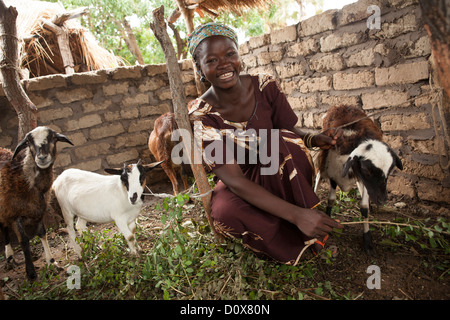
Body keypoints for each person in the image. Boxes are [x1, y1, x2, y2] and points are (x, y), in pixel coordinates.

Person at [187, 22, 343, 264]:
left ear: (239, 56)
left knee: (278, 142)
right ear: (199, 68)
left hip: (279, 170)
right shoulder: (202, 116)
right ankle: (293, 236)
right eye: (212, 60)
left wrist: (313, 138)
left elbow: (288, 130)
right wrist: (295, 214)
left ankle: (314, 233)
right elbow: (235, 180)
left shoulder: (264, 86)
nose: (224, 64)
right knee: (224, 212)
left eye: (230, 54)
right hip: (238, 179)